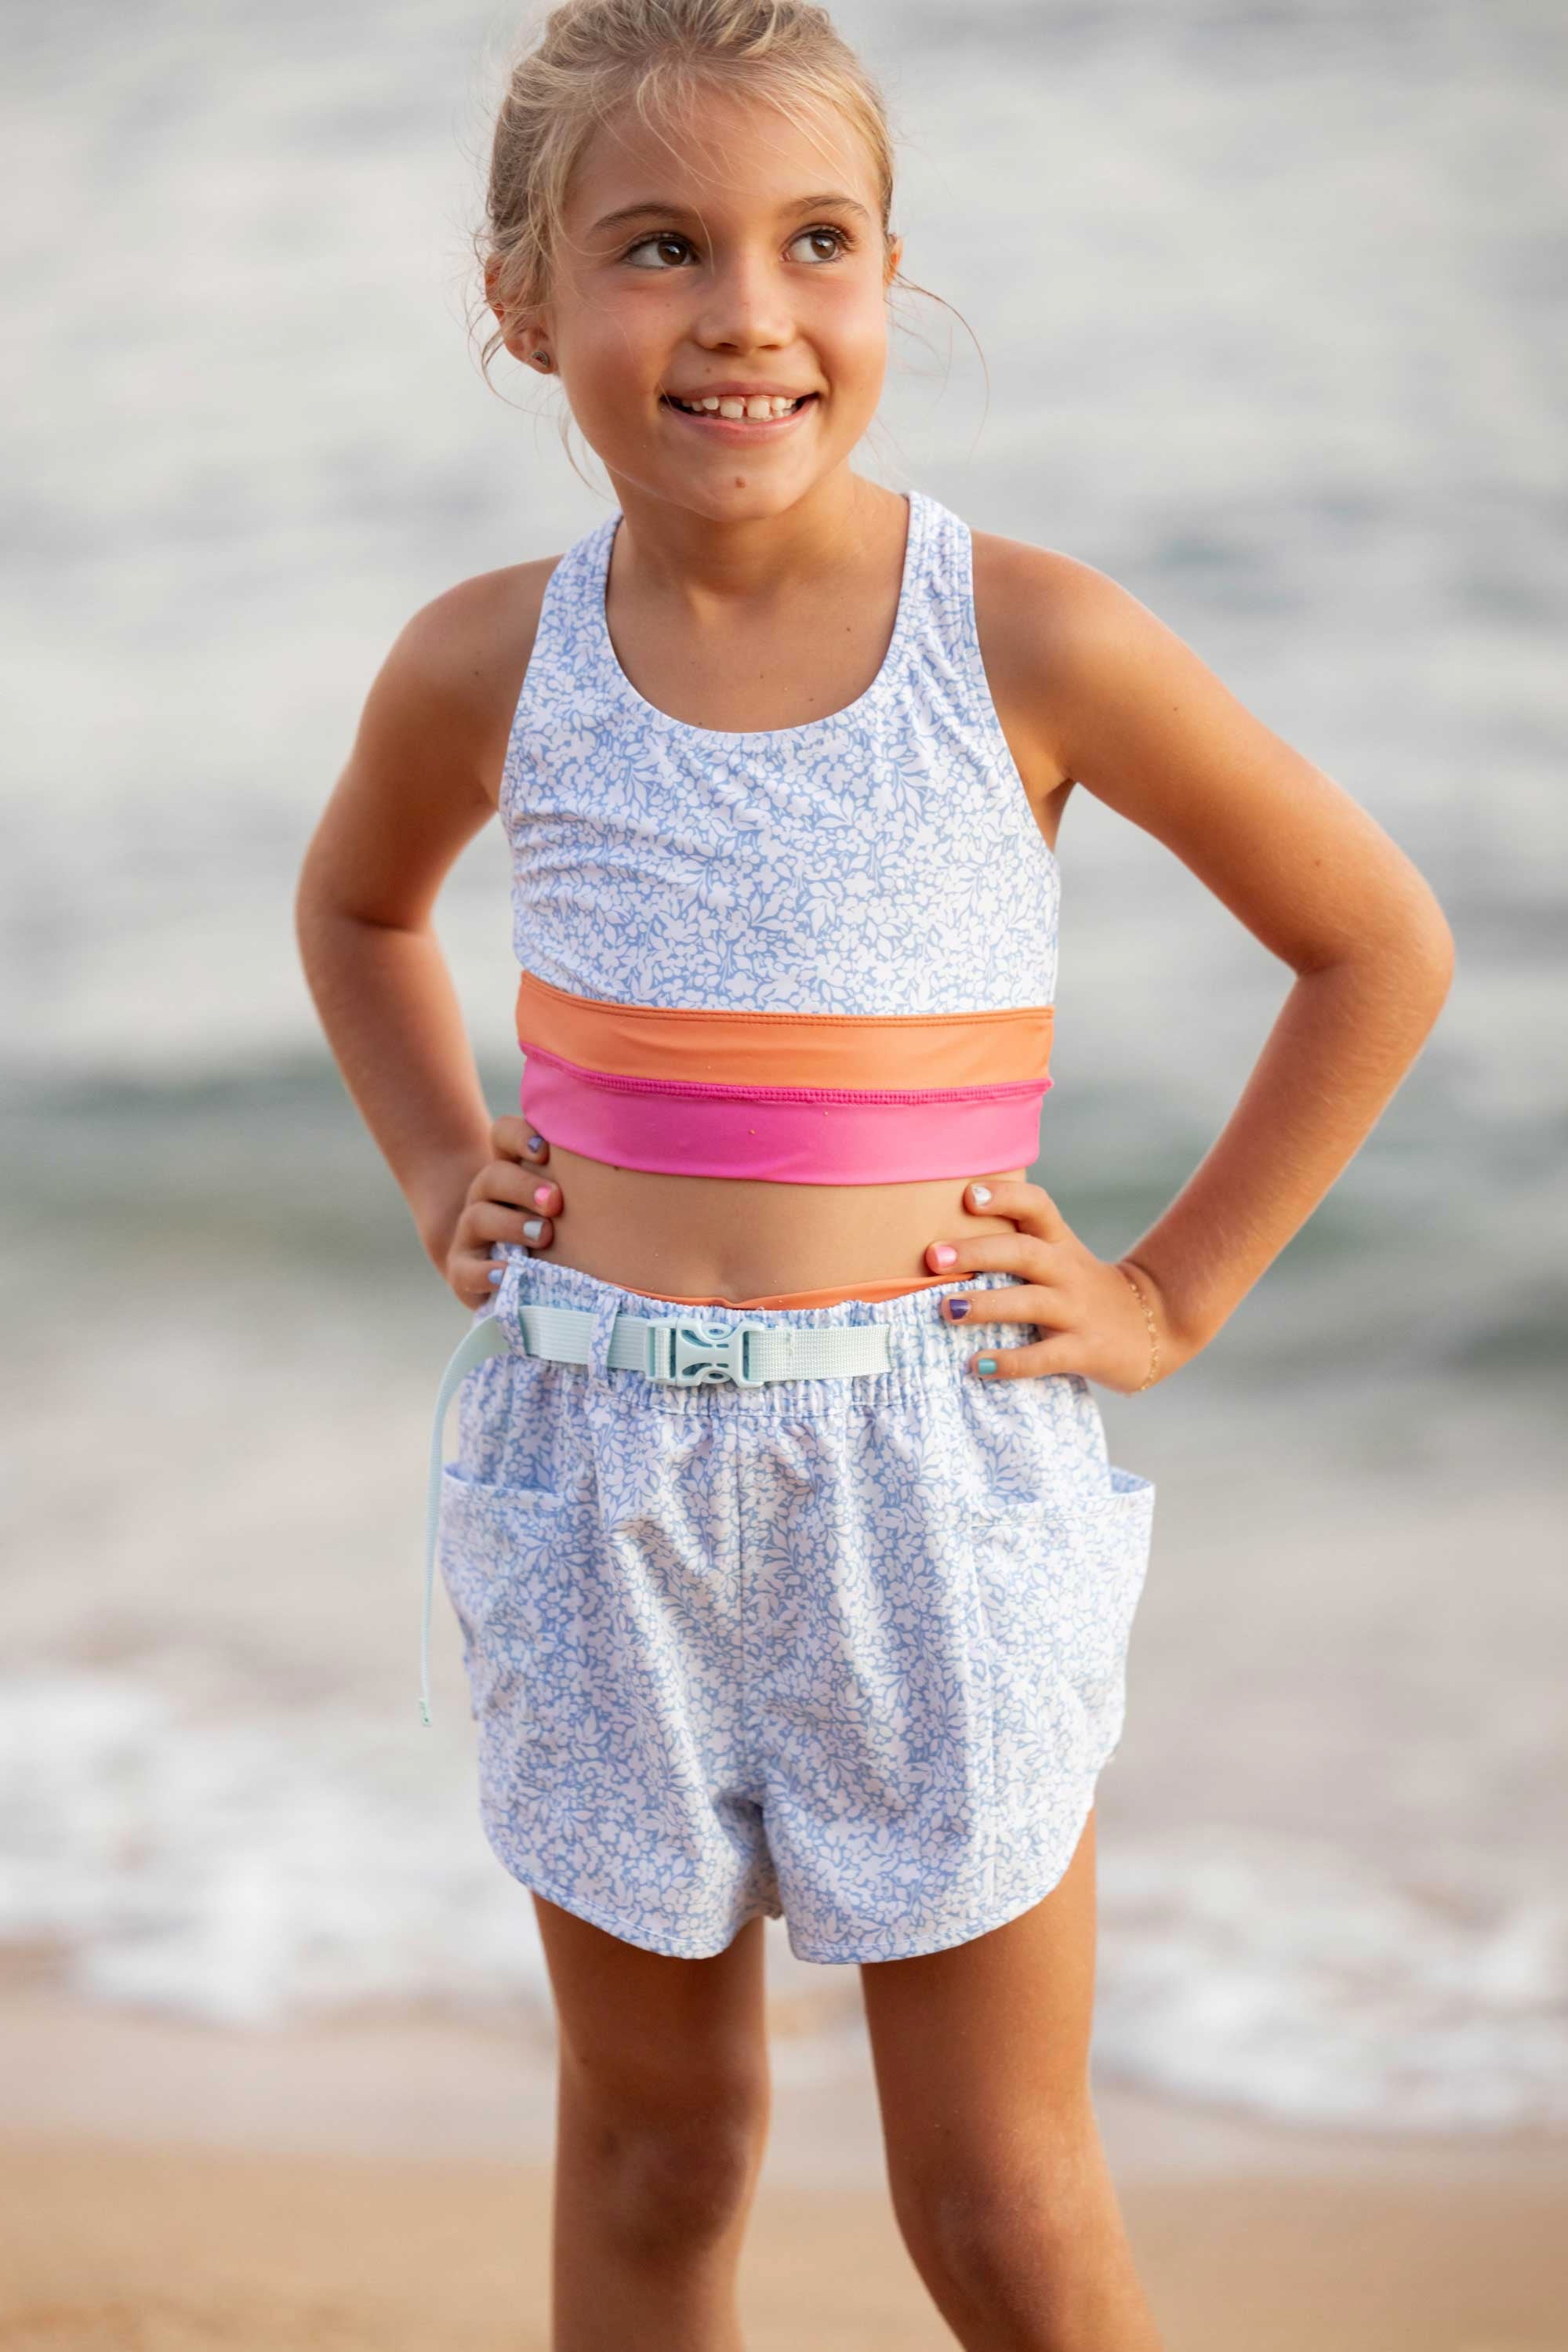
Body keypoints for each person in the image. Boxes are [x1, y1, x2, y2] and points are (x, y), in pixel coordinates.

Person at [294, 2, 1453, 2343]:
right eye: (658, 247)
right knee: (656, 2151)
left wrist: (1170, 1294)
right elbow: (358, 907)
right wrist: (437, 1160)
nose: (746, 312)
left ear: (890, 274)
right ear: (522, 300)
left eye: (814, 242)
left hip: (932, 1484)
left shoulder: (1027, 639)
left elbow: (1374, 946)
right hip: (596, 1476)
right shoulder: (486, 665)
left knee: (997, 2196)